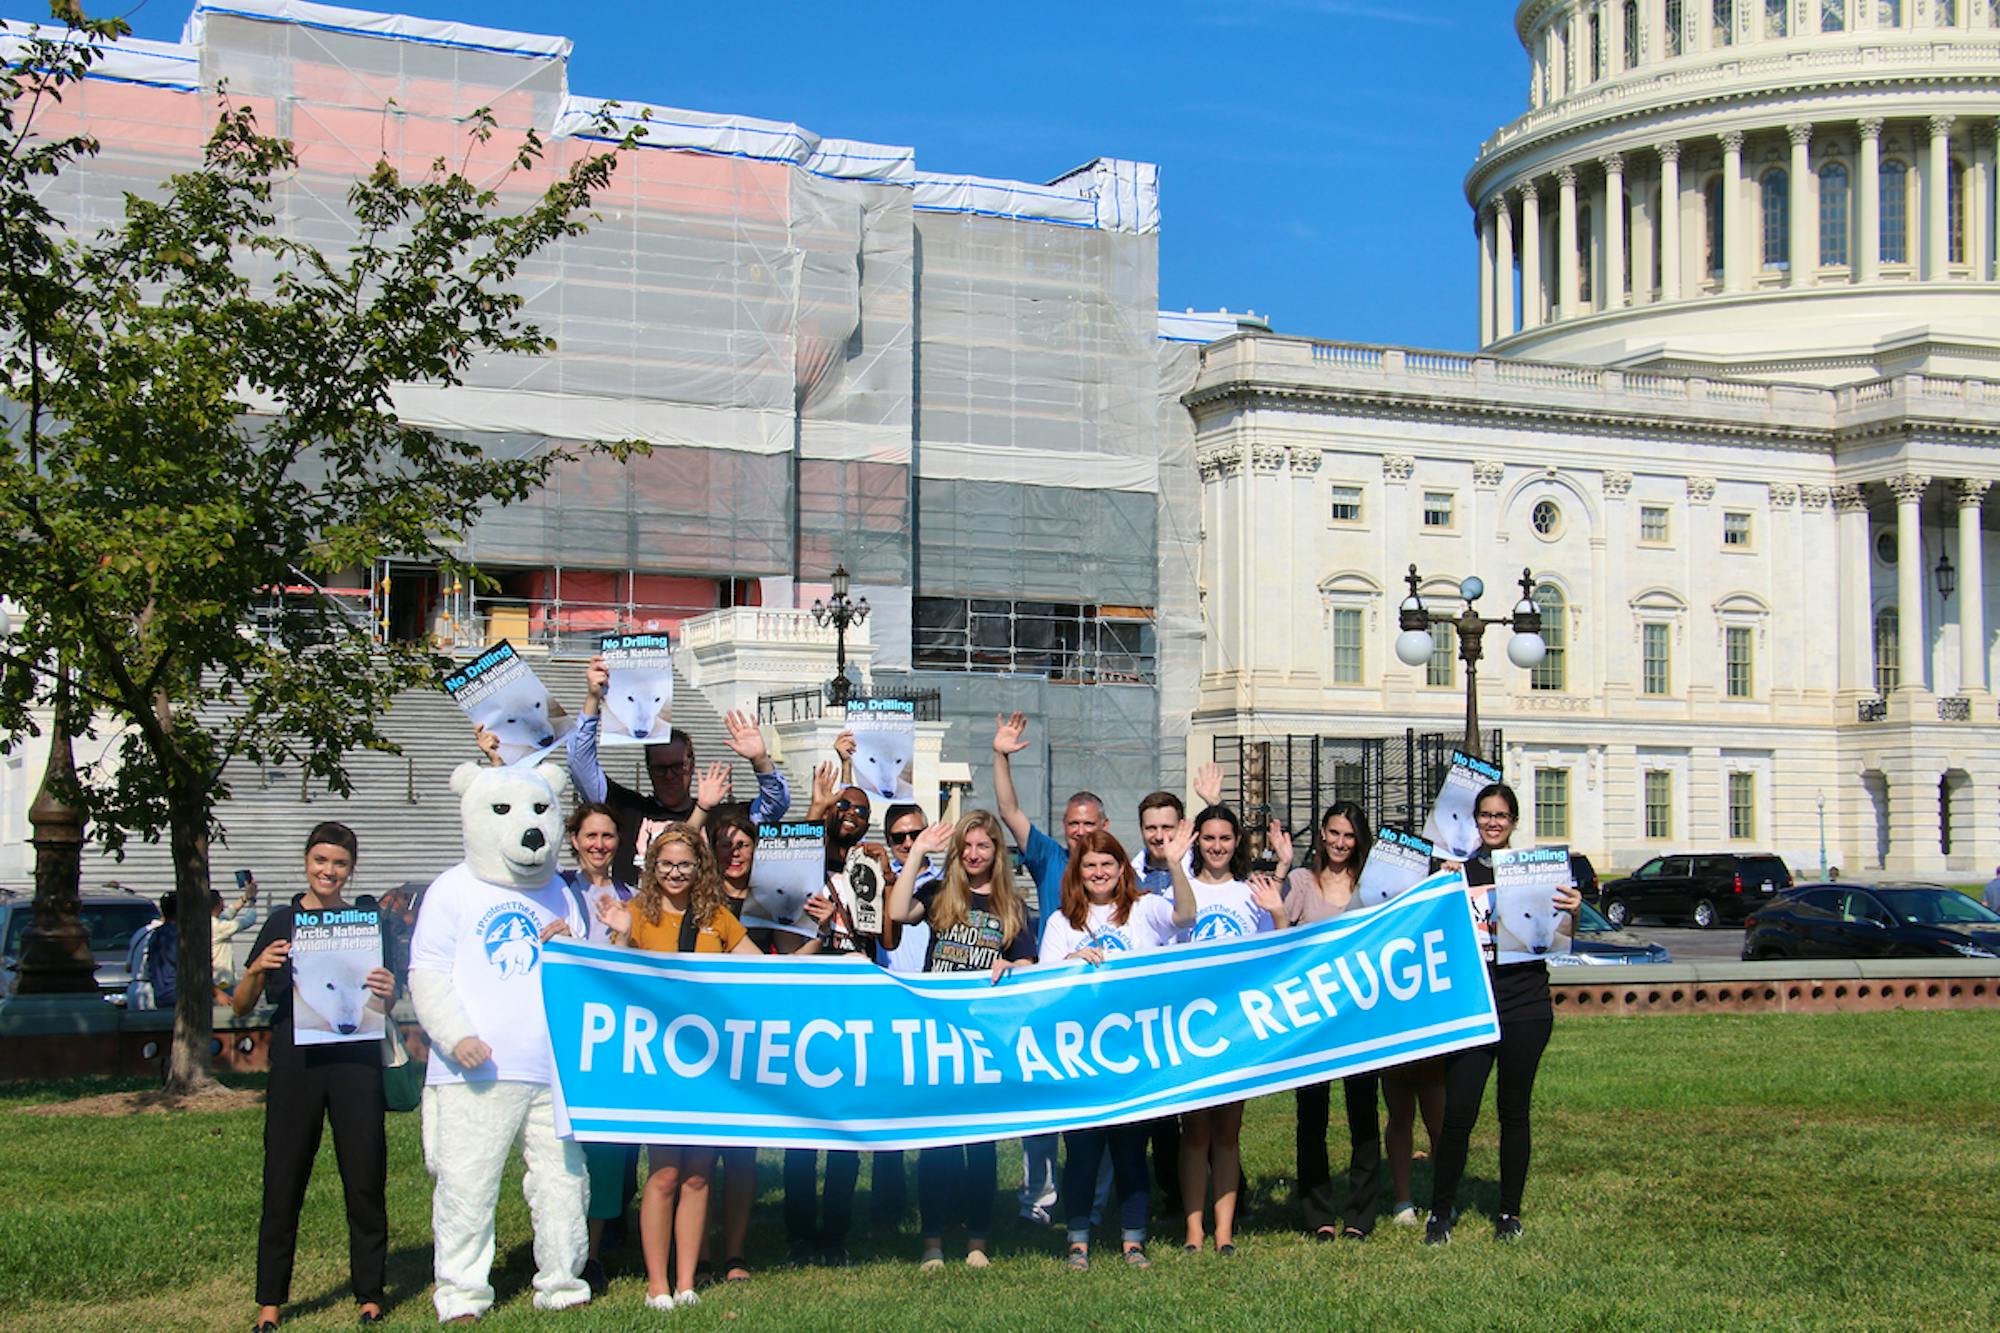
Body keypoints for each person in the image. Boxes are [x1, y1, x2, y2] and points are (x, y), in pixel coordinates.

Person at [235, 823, 395, 1332]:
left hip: (355, 1063)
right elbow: (241, 1006)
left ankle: (370, 1292)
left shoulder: (367, 924)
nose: (328, 871)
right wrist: (258, 967)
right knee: (283, 1179)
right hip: (296, 1065)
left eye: (340, 863)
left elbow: (384, 1000)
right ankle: (270, 1301)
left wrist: (388, 990)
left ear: (352, 867)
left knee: (364, 1176)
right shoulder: (283, 921)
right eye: (320, 861)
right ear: (307, 861)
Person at [595, 826, 760, 1310]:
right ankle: (656, 1282)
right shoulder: (636, 916)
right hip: (657, 1063)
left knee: (698, 1173)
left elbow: (764, 975)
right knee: (665, 1171)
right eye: (666, 864)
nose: (674, 873)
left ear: (700, 869)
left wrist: (837, 962)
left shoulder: (718, 918)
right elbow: (609, 980)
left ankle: (687, 1281)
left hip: (709, 1064)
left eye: (685, 865)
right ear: (652, 867)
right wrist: (622, 939)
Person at [1425, 782, 1583, 1245]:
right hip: (1473, 1005)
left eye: (1502, 815)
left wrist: (1573, 910)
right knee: (1459, 1114)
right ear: (1476, 820)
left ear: (1514, 821)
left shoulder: (1535, 872)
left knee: (1514, 1112)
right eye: (1485, 815)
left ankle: (1509, 1213)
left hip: (1526, 1005)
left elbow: (1558, 937)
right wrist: (1439, 886)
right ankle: (1440, 1214)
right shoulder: (1457, 874)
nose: (1493, 822)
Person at [1269, 802, 1431, 1240]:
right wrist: (1282, 867)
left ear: (1360, 841)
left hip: (1362, 1020)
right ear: (1322, 834)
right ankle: (1317, 1213)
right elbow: (1274, 930)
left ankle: (1360, 1215)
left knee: (1363, 1115)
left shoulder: (1373, 886)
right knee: (1312, 1117)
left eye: (1349, 836)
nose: (1340, 843)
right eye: (1334, 833)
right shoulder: (1302, 883)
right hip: (1312, 1022)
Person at [885, 811, 1038, 1269]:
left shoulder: (1013, 906)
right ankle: (931, 1241)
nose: (974, 855)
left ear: (996, 853)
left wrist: (1013, 966)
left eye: (983, 847)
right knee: (938, 1144)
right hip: (939, 1033)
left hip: (986, 1037)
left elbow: (1028, 961)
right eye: (967, 846)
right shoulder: (939, 893)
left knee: (981, 1145)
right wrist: (916, 852)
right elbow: (895, 913)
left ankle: (977, 1242)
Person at [1039, 827, 1197, 1270]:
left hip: (1134, 1056)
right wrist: (1068, 965)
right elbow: (1043, 989)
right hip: (1081, 1058)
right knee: (1083, 1154)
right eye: (1089, 865)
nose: (1099, 872)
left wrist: (1176, 864)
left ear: (1121, 867)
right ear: (1078, 872)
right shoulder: (1061, 922)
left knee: (1130, 1153)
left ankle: (1133, 1240)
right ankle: (1078, 1241)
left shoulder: (1144, 909)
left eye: (1107, 863)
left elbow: (1185, 916)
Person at [989, 711, 1113, 1226]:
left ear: (1104, 827)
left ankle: (1099, 1202)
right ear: (1064, 828)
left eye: (1089, 824)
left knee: (1100, 1105)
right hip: (1049, 993)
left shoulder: (1117, 869)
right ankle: (1037, 1201)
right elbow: (1008, 808)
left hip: (1102, 999)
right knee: (1039, 1103)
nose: (1081, 832)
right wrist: (1000, 755)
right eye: (1073, 824)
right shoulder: (1045, 855)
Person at [777, 778, 893, 1269]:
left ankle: (835, 1232)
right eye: (843, 805)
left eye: (861, 810)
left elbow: (886, 935)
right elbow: (790, 857)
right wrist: (815, 806)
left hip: (854, 1005)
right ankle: (800, 1233)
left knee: (845, 1126)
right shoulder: (806, 865)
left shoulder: (865, 867)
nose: (850, 813)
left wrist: (883, 879)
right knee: (801, 1128)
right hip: (804, 1002)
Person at [565, 653, 789, 886]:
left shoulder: (718, 816)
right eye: (660, 769)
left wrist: (761, 760)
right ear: (649, 770)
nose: (669, 776)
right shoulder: (627, 810)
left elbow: (775, 806)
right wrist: (593, 699)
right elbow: (580, 766)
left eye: (676, 767)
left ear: (691, 765)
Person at [1177, 803, 1277, 1255]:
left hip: (1237, 1025)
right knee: (1195, 1132)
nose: (1217, 846)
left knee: (1228, 1132)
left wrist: (1276, 915)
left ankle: (1225, 1233)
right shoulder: (1181, 889)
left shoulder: (1249, 893)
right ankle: (1193, 1232)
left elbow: (1279, 953)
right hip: (1189, 1026)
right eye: (1209, 837)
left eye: (1225, 838)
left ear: (1237, 843)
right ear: (1197, 840)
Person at [558, 801, 641, 1296]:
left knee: (608, 1151)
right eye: (590, 836)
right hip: (565, 1032)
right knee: (562, 1149)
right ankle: (557, 1244)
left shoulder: (633, 895)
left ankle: (589, 1253)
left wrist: (626, 935)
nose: (599, 845)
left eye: (608, 836)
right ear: (574, 839)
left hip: (612, 1035)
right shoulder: (554, 892)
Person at [869, 801, 937, 1234]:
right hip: (888, 1002)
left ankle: (940, 1206)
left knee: (935, 1113)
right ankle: (887, 1210)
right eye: (899, 838)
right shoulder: (873, 880)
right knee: (887, 1113)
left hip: (935, 1002)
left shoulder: (948, 882)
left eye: (915, 835)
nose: (908, 843)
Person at [210, 876, 259, 1001]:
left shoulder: (210, 922)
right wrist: (252, 900)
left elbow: (228, 914)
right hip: (221, 986)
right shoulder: (217, 927)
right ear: (218, 903)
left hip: (216, 984)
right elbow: (248, 920)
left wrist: (245, 897)